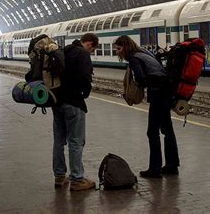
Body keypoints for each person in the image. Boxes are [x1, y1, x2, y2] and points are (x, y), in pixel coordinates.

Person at [114, 35, 179, 178]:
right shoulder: (144, 53)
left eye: (119, 48)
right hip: (167, 91)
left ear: (125, 47)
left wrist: (136, 87)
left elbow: (141, 78)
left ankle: (155, 169)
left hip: (158, 93)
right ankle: (172, 165)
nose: (117, 52)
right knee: (167, 129)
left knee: (152, 132)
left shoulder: (134, 58)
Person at [52, 33, 99, 191]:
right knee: (76, 141)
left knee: (59, 140)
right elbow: (86, 77)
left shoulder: (63, 51)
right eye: (92, 50)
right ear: (89, 44)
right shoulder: (82, 54)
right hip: (73, 102)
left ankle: (59, 176)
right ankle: (77, 179)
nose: (91, 53)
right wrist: (84, 93)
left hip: (57, 101)